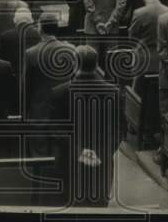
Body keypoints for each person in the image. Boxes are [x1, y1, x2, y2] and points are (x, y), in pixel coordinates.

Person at [48, 45, 121, 207]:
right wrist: (102, 152)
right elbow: (119, 130)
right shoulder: (113, 92)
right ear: (96, 65)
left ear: (74, 64)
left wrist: (79, 151)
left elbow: (54, 130)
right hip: (101, 163)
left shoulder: (59, 92)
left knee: (72, 208)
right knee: (98, 209)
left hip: (70, 162)